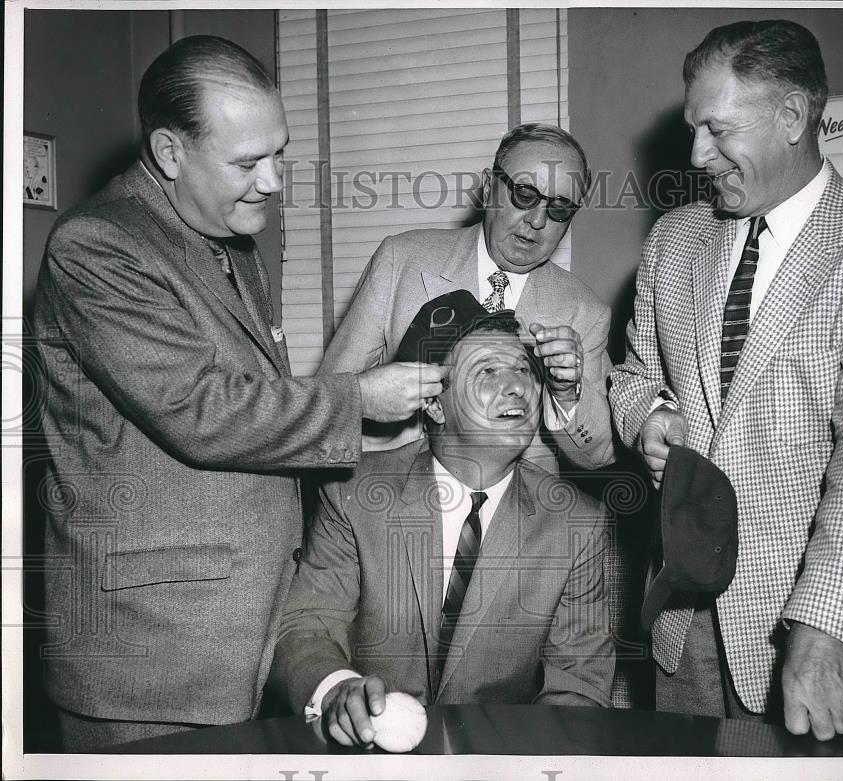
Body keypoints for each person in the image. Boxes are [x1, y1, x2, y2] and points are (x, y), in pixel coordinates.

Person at [31, 35, 446, 751]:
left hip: (245, 634)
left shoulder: (230, 242)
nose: (275, 182)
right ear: (168, 153)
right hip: (154, 658)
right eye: (248, 162)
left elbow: (260, 404)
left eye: (278, 153)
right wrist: (356, 400)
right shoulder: (96, 245)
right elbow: (201, 409)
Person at [608, 20, 843, 748]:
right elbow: (636, 374)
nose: (698, 154)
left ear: (793, 116)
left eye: (717, 128)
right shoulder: (674, 241)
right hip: (682, 627)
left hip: (812, 635)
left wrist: (825, 626)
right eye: (694, 128)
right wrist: (652, 417)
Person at [272, 291, 614, 746]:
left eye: (523, 370)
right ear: (434, 404)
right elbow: (308, 624)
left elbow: (578, 688)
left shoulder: (577, 523)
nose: (518, 387)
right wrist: (336, 690)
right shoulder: (352, 495)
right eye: (488, 371)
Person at [318, 123, 615, 473]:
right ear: (490, 188)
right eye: (524, 194)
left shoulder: (585, 312)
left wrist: (566, 395)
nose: (537, 220)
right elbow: (327, 403)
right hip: (393, 503)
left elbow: (598, 456)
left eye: (560, 208)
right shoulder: (402, 260)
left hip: (513, 519)